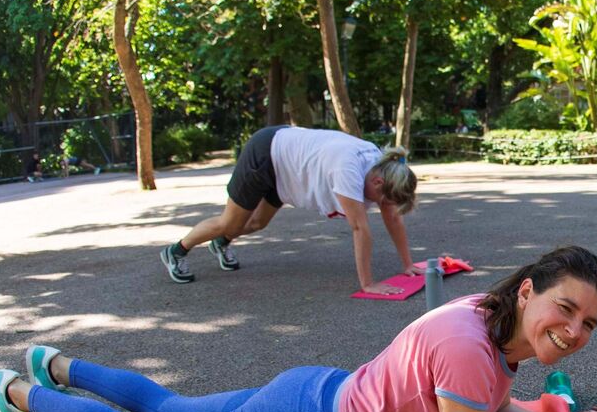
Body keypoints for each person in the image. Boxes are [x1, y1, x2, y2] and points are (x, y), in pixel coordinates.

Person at [0, 246, 597, 412]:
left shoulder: (485, 319)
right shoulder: (467, 345)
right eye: (565, 308)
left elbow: (483, 410)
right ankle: (15, 391)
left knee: (170, 408)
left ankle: (56, 364)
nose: (573, 331)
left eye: (588, 323)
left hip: (311, 395)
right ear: (528, 292)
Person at [160, 125, 417, 293]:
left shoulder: (382, 167)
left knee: (257, 223)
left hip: (285, 169)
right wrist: (368, 284)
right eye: (383, 200)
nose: (382, 206)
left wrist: (408, 264)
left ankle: (221, 243)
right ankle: (177, 251)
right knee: (231, 222)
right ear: (378, 182)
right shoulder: (348, 169)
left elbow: (392, 217)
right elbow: (359, 228)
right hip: (265, 154)